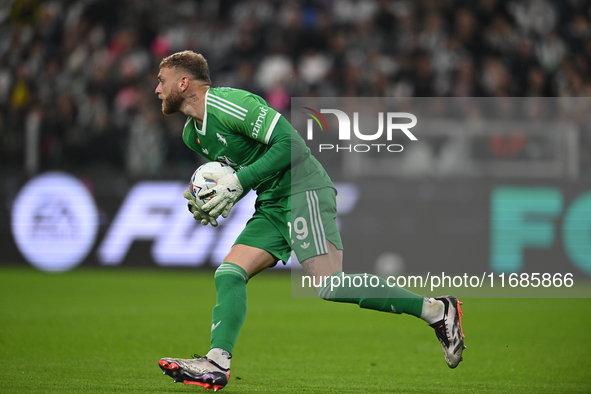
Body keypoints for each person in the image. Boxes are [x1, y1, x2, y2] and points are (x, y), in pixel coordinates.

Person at [155, 50, 465, 391]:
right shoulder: (192, 135)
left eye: (162, 81)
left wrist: (239, 183)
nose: (157, 89)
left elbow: (292, 145)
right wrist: (219, 197)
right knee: (229, 273)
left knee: (331, 284)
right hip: (272, 201)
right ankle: (216, 362)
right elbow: (247, 171)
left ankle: (437, 311)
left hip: (304, 187)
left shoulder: (230, 104)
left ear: (184, 83)